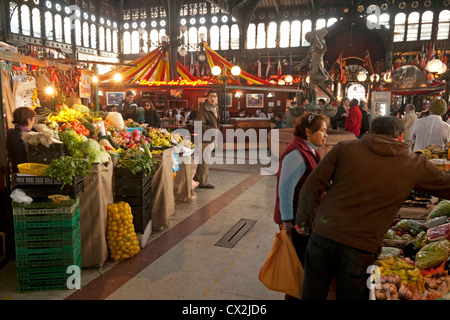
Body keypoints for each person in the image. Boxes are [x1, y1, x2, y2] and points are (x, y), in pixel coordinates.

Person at [295, 116, 450, 300]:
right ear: (401, 137)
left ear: (370, 132)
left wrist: (302, 221)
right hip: (361, 248)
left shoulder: (345, 148)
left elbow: (312, 184)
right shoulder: (414, 163)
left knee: (312, 294)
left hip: (323, 235)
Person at [274, 112, 329, 299]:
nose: (326, 135)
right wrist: (288, 222)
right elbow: (286, 190)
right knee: (297, 267)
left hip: (306, 218)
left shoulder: (310, 150)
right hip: (298, 221)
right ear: (307, 131)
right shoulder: (296, 153)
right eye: (322, 131)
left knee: (304, 265)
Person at [193, 90, 219, 189]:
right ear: (207, 97)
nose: (213, 98)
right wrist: (213, 130)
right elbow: (199, 125)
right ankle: (203, 182)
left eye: (215, 96)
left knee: (203, 159)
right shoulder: (203, 109)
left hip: (211, 137)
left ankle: (197, 177)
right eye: (211, 96)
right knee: (205, 160)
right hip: (205, 138)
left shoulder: (215, 107)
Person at [6, 107, 36, 172]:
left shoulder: (10, 133)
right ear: (29, 120)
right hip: (26, 172)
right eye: (33, 120)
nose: (33, 122)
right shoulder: (29, 136)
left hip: (15, 170)